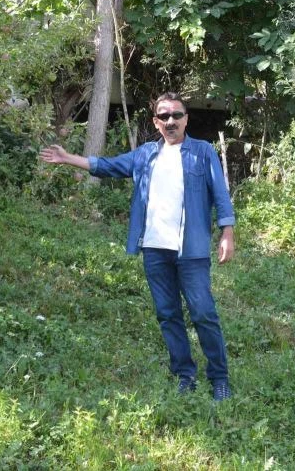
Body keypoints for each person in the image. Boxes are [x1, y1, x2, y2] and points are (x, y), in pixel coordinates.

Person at [39, 92, 236, 401]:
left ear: (186, 119)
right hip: (154, 250)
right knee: (168, 314)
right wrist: (67, 158)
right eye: (164, 116)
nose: (171, 121)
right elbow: (108, 166)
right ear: (156, 122)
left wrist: (227, 232)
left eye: (177, 115)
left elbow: (220, 194)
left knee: (203, 313)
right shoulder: (145, 154)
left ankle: (219, 378)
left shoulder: (202, 151)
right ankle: (184, 374)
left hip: (192, 250)